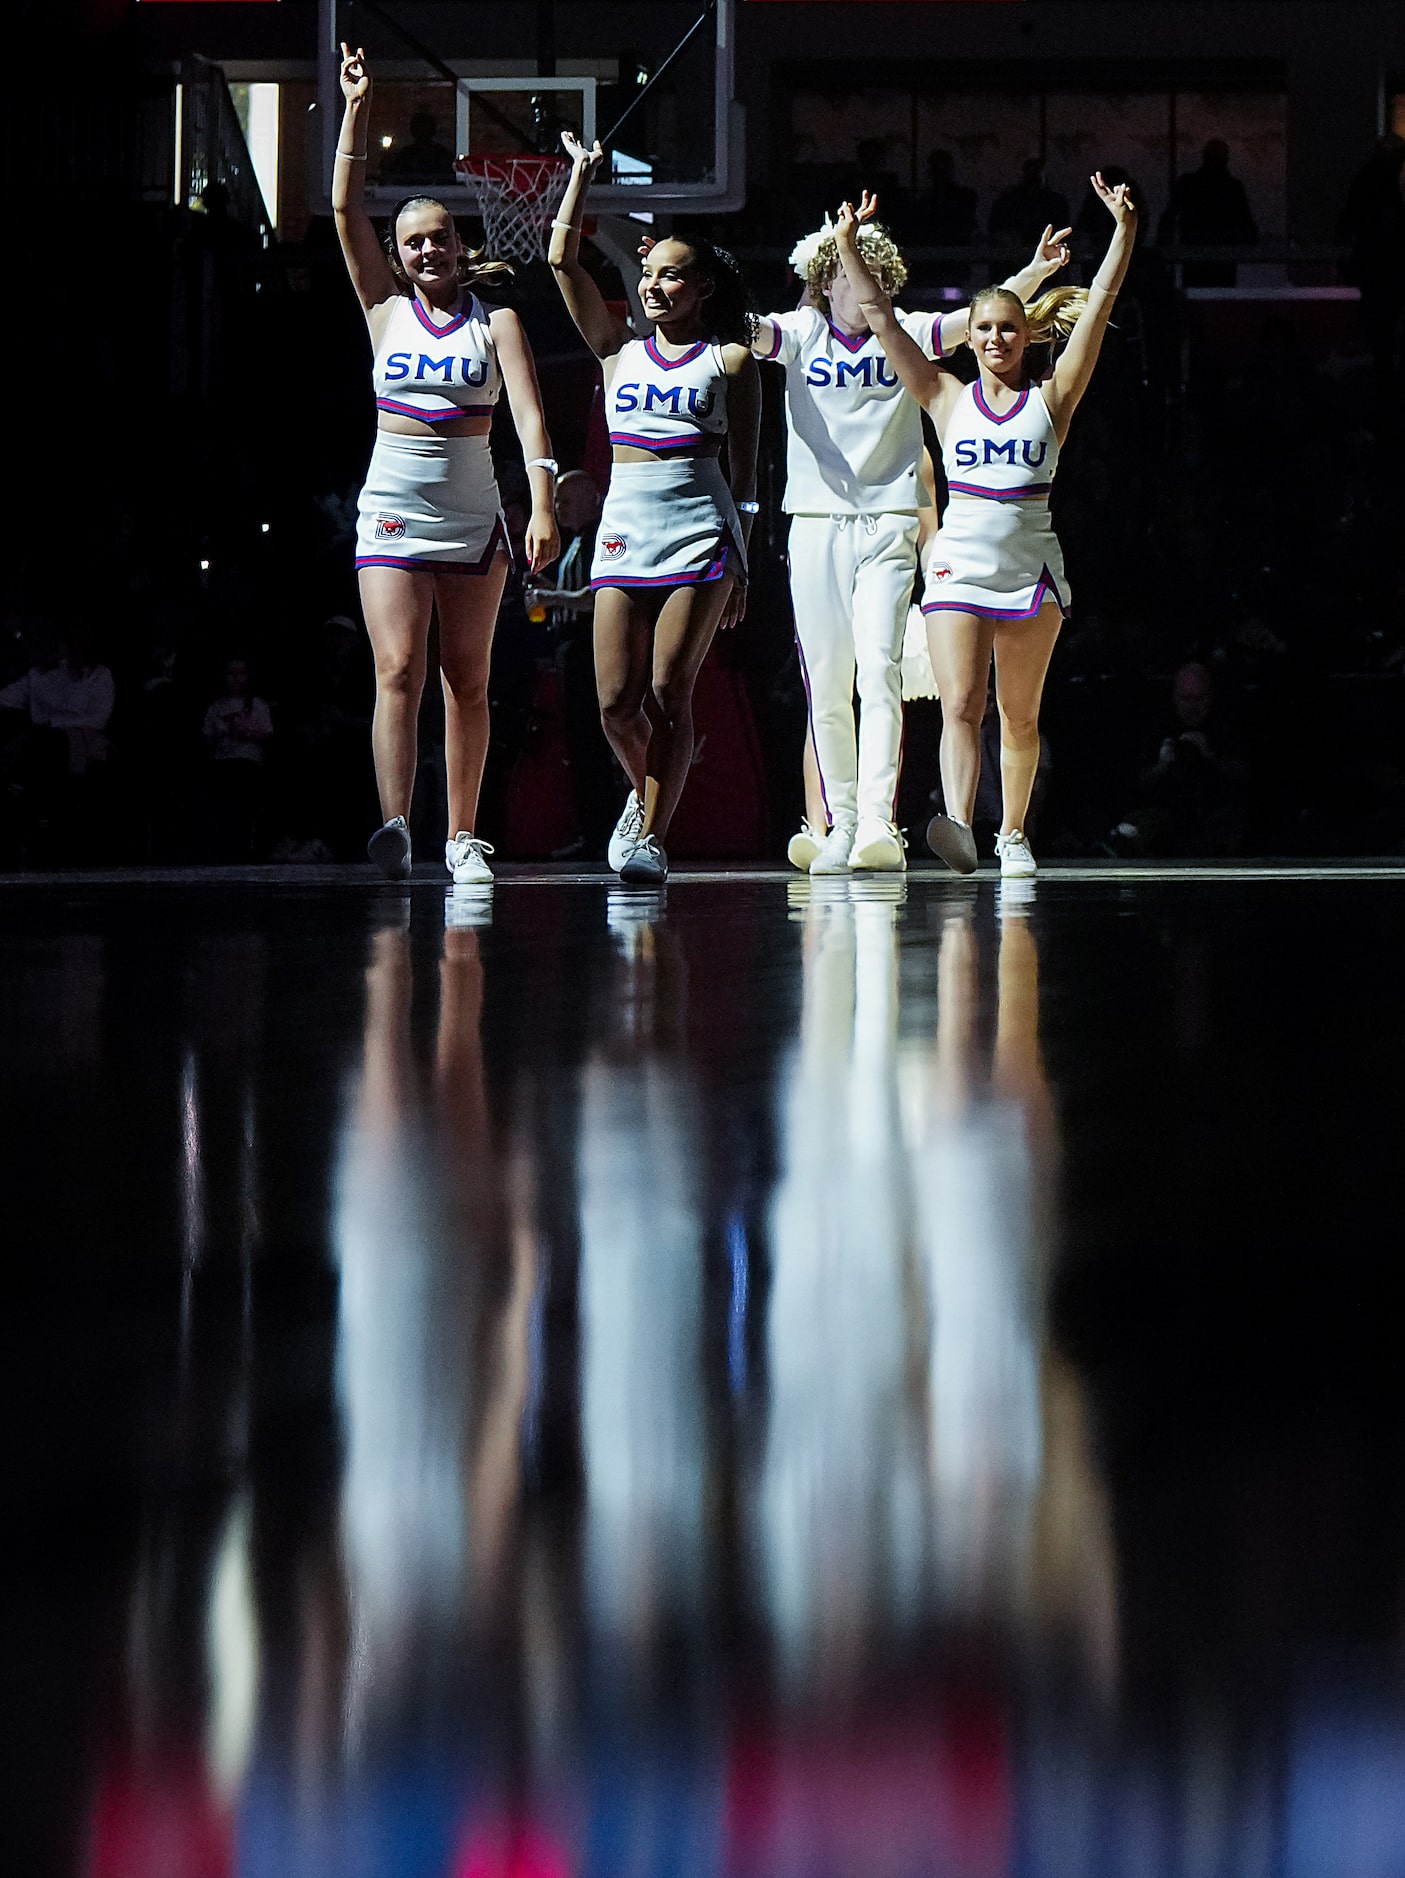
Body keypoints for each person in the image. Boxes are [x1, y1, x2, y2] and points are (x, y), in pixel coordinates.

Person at [833, 172, 1137, 877]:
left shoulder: (1052, 396)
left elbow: (1099, 310)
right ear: (966, 339)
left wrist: (1122, 231)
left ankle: (1014, 834)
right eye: (984, 328)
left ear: (1026, 333)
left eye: (1007, 327)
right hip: (957, 563)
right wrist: (848, 247)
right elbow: (880, 318)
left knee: (1019, 713)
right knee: (960, 705)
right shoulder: (942, 395)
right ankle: (961, 826)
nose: (996, 336)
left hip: (1029, 563)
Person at [755, 214, 1072, 873]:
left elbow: (986, 319)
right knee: (826, 682)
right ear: (828, 280)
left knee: (879, 670)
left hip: (891, 517)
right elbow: (746, 330)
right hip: (813, 520)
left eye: (873, 274)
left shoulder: (906, 333)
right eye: (849, 273)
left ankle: (877, 822)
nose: (863, 283)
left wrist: (1036, 271)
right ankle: (835, 823)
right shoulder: (800, 332)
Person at [333, 44, 559, 885]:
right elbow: (342, 208)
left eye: (441, 239)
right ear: (396, 257)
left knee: (468, 679)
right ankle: (395, 825)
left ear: (461, 247)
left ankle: (463, 836)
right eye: (414, 243)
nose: (429, 251)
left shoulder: (495, 323)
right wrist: (358, 108)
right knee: (397, 669)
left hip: (473, 515)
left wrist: (538, 502)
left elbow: (531, 419)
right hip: (391, 505)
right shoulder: (381, 310)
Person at [547, 132, 760, 885]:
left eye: (674, 277)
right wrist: (580, 176)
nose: (656, 287)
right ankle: (647, 797)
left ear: (702, 289)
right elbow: (559, 261)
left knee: (671, 690)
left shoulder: (730, 360)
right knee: (613, 704)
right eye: (650, 274)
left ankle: (652, 837)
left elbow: (745, 476)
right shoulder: (616, 349)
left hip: (701, 532)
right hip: (625, 531)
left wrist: (744, 563)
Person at [522, 471, 621, 858]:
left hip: (592, 650)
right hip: (574, 652)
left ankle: (602, 834)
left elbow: (598, 596)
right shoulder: (577, 541)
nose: (558, 508)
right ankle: (593, 831)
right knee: (581, 747)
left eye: (565, 500)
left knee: (594, 745)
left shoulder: (600, 535)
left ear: (590, 498)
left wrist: (554, 599)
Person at [202, 656, 273, 860]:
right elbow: (206, 735)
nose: (235, 679)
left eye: (240, 673)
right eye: (231, 674)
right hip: (221, 762)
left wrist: (246, 731)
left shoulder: (257, 704)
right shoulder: (216, 706)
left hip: (247, 763)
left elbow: (267, 731)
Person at [1159, 139, 1257, 287]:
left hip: (1195, 257)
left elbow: (1169, 218)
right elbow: (1246, 223)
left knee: (1197, 299)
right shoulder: (1232, 188)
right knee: (1219, 300)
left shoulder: (1188, 184)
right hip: (1222, 258)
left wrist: (1164, 250)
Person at [989, 158, 1070, 252]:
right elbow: (996, 229)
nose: (1033, 178)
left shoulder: (1056, 202)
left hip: (1048, 251)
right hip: (1013, 254)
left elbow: (1063, 230)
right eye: (1030, 174)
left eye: (1036, 174)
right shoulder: (1008, 201)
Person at [379, 110, 455, 187]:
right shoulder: (405, 154)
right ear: (413, 130)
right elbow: (393, 180)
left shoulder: (441, 154)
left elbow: (448, 182)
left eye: (425, 127)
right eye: (419, 127)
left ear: (432, 130)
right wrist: (386, 165)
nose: (422, 131)